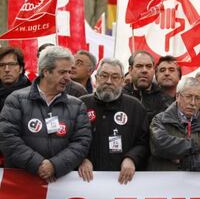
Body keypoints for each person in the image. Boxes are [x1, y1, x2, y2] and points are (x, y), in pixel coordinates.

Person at [0, 46, 91, 182]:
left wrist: (54, 165)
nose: (68, 78)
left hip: (61, 186)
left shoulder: (77, 105)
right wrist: (38, 165)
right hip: (21, 184)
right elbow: (7, 138)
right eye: (62, 72)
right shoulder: (16, 99)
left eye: (69, 72)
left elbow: (82, 142)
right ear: (46, 71)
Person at [78, 58, 149, 184]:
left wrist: (131, 158)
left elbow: (144, 142)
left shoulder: (135, 107)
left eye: (115, 77)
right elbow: (70, 140)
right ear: (96, 78)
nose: (109, 81)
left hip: (122, 182)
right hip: (85, 181)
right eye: (104, 76)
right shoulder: (81, 104)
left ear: (122, 81)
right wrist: (82, 158)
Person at [148, 77, 200, 171]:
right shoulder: (160, 120)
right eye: (189, 97)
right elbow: (159, 145)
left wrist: (185, 162)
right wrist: (195, 147)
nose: (193, 103)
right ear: (178, 96)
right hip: (164, 184)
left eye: (197, 98)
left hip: (194, 184)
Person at [123, 51, 173, 122]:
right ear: (130, 70)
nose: (144, 70)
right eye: (139, 66)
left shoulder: (165, 101)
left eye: (149, 66)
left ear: (154, 70)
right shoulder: (119, 97)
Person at [0, 47, 31, 111]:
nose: (7, 69)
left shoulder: (32, 94)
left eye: (12, 64)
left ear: (21, 69)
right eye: (2, 65)